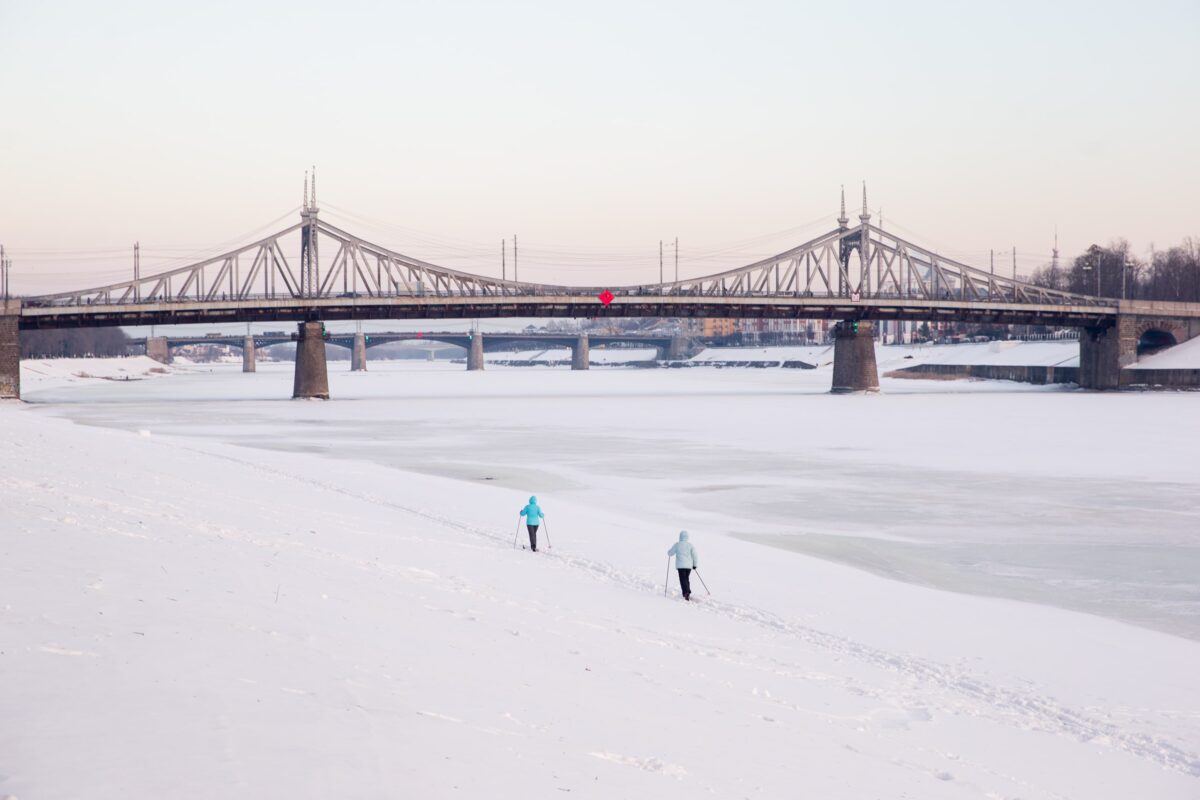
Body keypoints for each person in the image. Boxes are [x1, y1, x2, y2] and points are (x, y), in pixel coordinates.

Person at [668, 530, 697, 600]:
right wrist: (694, 565)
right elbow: (695, 555)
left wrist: (668, 553)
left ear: (680, 537)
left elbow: (670, 553)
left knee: (683, 579)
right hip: (689, 566)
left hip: (681, 566)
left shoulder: (677, 545)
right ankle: (687, 592)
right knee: (686, 579)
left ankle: (686, 592)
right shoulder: (690, 545)